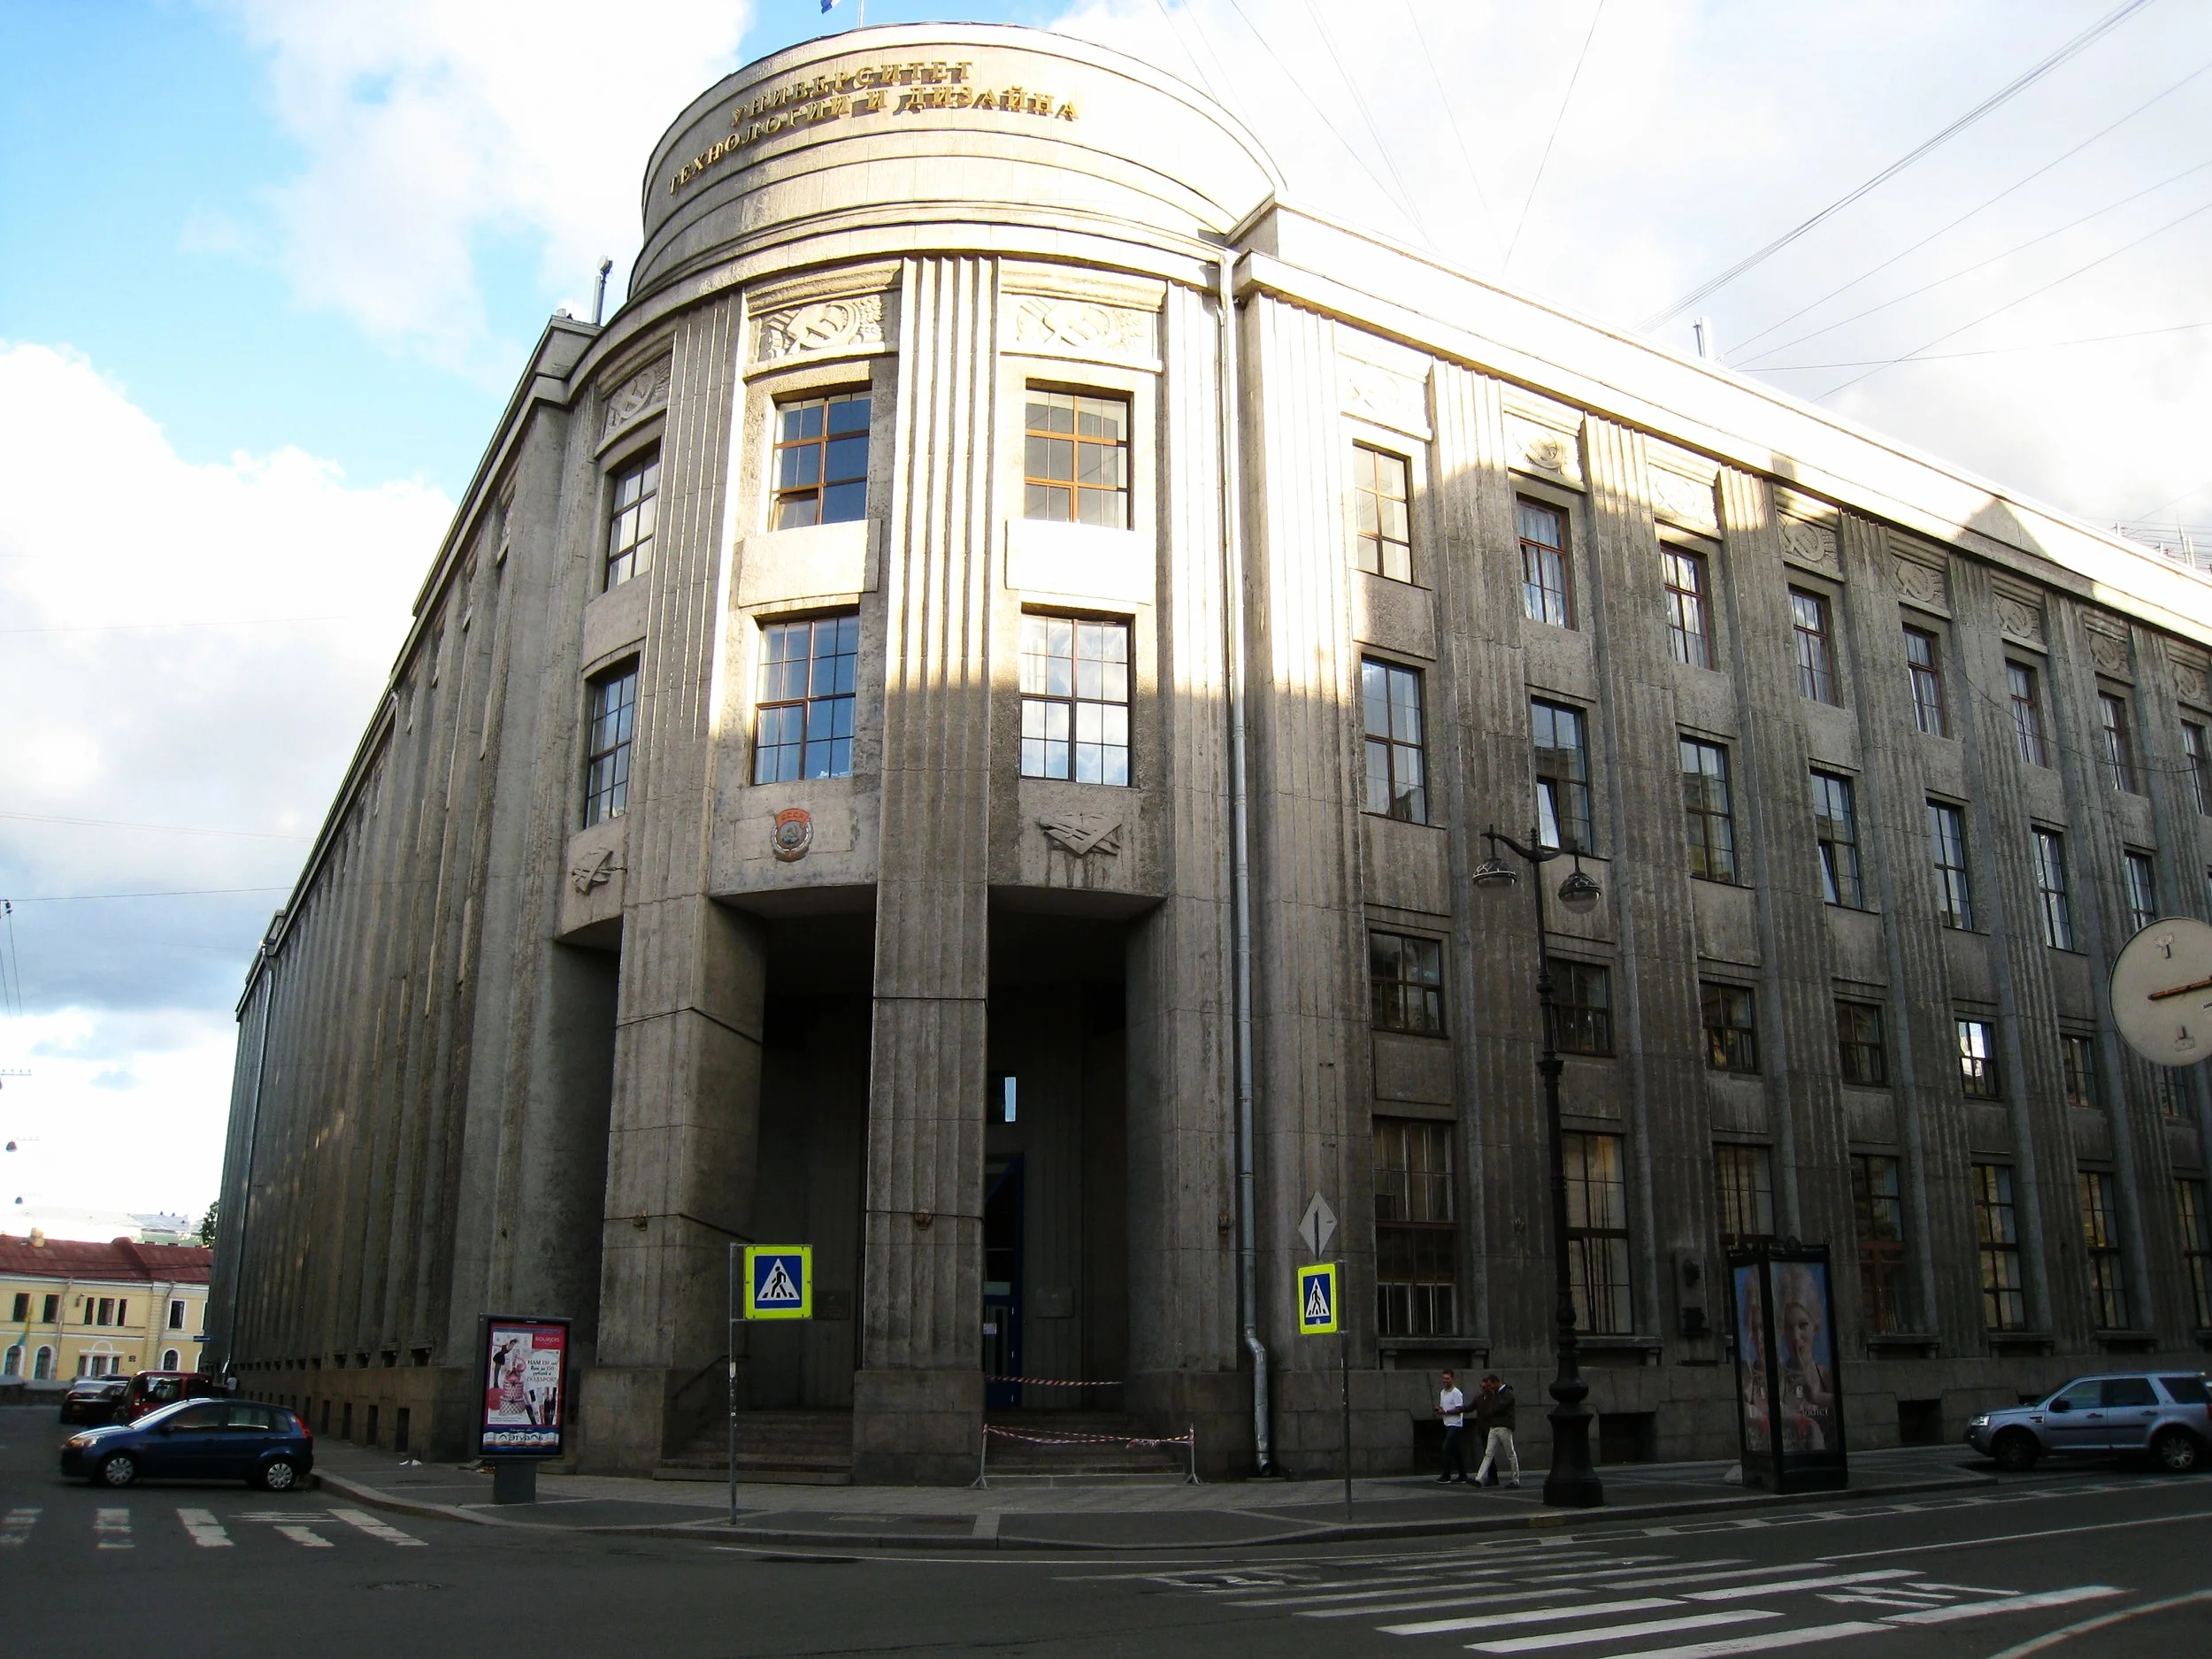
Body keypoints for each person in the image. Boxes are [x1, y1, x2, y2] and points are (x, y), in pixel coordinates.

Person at [1472, 1373, 1520, 1487]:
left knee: (1510, 1453)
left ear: (1495, 1382)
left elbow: (1497, 1408)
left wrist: (1492, 1400)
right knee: (1488, 1454)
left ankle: (1515, 1480)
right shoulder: (1497, 1394)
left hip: (1504, 1426)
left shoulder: (1507, 1393)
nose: (1490, 1388)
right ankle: (1479, 1479)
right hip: (1494, 1426)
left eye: (1490, 1385)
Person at [1434, 1371, 1470, 1484]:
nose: (1445, 1381)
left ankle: (1446, 1475)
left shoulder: (1456, 1393)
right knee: (1456, 1451)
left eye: (1448, 1378)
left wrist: (1446, 1412)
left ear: (1452, 1379)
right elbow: (1443, 1407)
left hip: (1455, 1424)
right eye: (1444, 1378)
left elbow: (1460, 1409)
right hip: (1447, 1423)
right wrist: (1439, 1409)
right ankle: (1463, 1475)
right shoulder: (1442, 1392)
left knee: (1446, 1449)